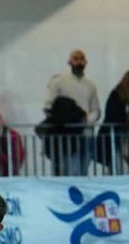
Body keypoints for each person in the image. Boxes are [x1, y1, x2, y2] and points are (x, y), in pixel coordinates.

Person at [41, 49, 100, 177]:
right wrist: (67, 120)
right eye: (75, 58)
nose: (79, 62)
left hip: (86, 133)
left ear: (86, 62)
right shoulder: (59, 82)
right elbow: (48, 106)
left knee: (83, 171)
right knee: (68, 172)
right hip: (66, 136)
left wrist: (86, 120)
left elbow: (96, 110)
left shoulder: (90, 85)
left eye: (81, 58)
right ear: (69, 61)